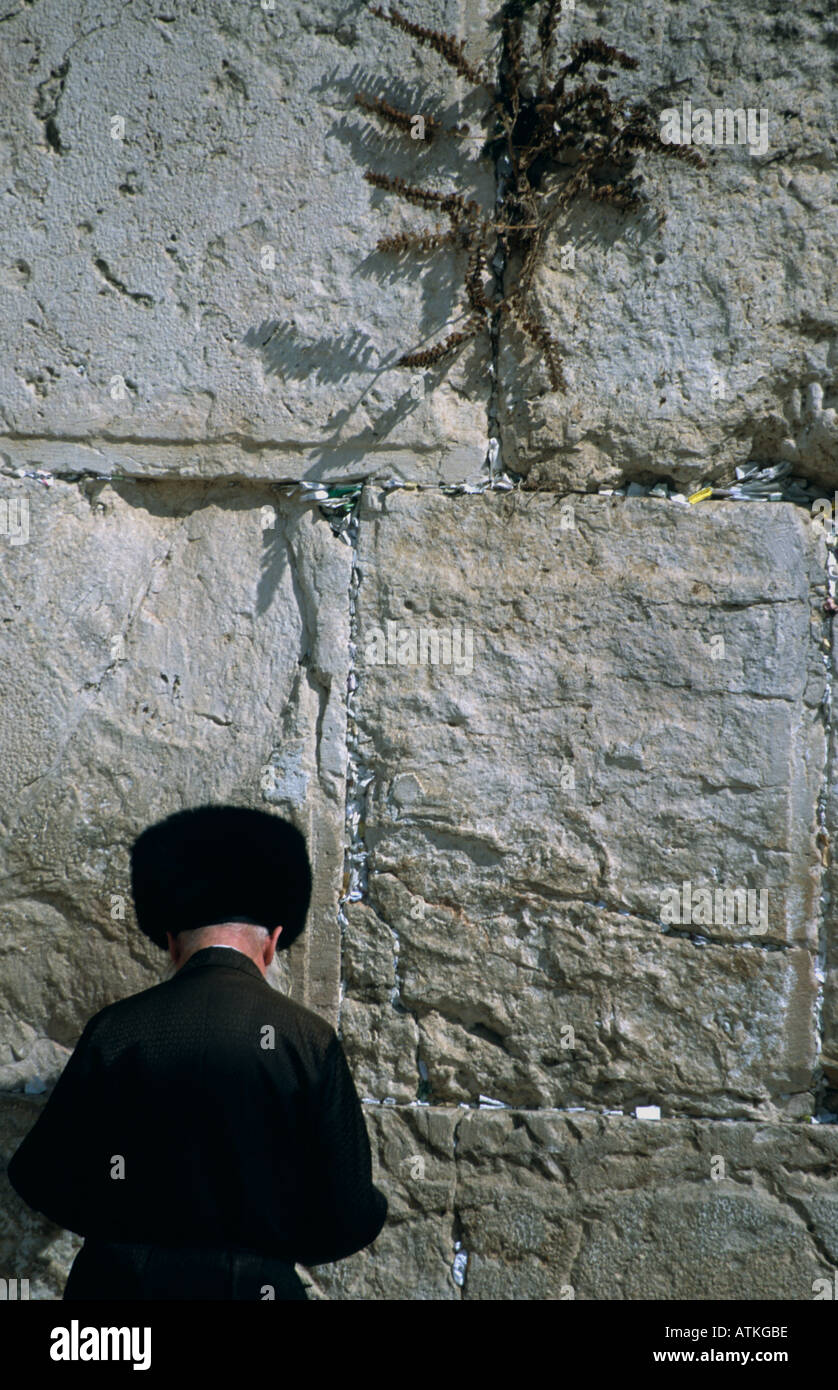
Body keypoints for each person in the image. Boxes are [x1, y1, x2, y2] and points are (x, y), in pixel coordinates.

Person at [7, 804, 387, 1300]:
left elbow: (40, 1177)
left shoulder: (117, 1031)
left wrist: (122, 1230)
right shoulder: (307, 1041)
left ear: (171, 942)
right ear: (272, 942)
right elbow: (350, 1212)